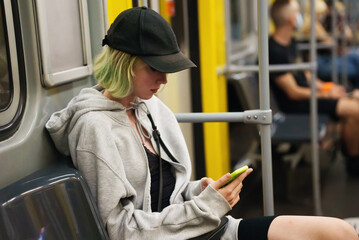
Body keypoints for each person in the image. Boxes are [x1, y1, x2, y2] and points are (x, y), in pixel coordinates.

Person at [46, 6, 358, 240]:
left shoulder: (149, 108)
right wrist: (205, 207)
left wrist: (200, 191)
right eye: (155, 68)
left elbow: (168, 194)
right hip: (188, 230)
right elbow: (118, 229)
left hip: (201, 227)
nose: (164, 79)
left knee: (339, 231)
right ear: (125, 64)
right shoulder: (94, 129)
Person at [269, 0, 359, 176]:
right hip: (295, 105)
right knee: (356, 111)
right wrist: (325, 94)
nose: (301, 16)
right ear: (291, 19)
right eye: (298, 12)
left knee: (356, 98)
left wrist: (327, 87)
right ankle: (354, 164)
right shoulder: (273, 51)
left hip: (310, 96)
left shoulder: (290, 42)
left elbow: (305, 75)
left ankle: (351, 152)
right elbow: (293, 92)